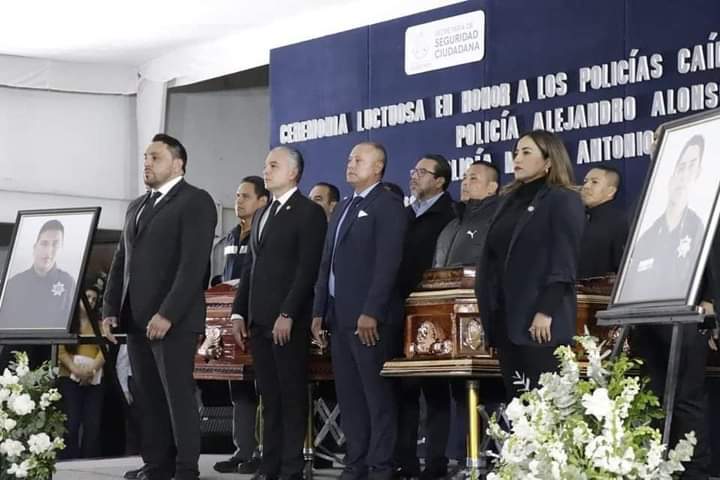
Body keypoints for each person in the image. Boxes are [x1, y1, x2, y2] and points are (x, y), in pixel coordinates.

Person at [102, 133, 217, 480]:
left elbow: (193, 265)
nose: (147, 164)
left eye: (155, 158)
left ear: (178, 163)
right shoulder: (136, 205)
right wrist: (109, 308)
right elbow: (122, 260)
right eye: (146, 158)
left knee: (177, 397)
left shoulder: (196, 201)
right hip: (136, 321)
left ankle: (185, 468)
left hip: (174, 322)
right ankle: (157, 464)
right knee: (149, 398)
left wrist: (168, 313)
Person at [312, 142, 407, 480]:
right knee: (349, 398)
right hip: (338, 317)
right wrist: (318, 310)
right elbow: (327, 262)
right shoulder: (343, 208)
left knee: (376, 397)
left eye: (359, 160)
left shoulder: (388, 205)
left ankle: (380, 467)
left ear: (378, 167)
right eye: (349, 159)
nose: (350, 164)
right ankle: (356, 463)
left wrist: (373, 311)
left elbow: (388, 263)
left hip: (370, 320)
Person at [232, 146, 327, 480]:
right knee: (268, 399)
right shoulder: (261, 214)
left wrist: (287, 312)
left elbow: (307, 269)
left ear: (293, 173)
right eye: (265, 164)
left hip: (287, 321)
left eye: (273, 165)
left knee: (290, 397)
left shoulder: (308, 212)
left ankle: (290, 468)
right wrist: (238, 313)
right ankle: (269, 466)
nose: (266, 170)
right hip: (258, 320)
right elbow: (249, 269)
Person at [475, 130, 584, 400]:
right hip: (505, 321)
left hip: (539, 322)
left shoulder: (562, 199)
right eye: (515, 153)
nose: (517, 159)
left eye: (526, 153)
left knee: (546, 409)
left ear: (549, 161)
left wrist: (546, 310)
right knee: (519, 409)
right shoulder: (508, 200)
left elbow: (564, 260)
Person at [629, 134, 711, 479]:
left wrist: (713, 304)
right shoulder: (649, 216)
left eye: (690, 164)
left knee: (686, 398)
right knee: (655, 395)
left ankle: (694, 469)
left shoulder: (706, 209)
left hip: (691, 314)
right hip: (648, 317)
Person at [394, 154, 455, 480]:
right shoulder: (404, 214)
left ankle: (435, 463)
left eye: (421, 172)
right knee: (403, 389)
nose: (414, 176)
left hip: (434, 309)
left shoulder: (451, 215)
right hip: (400, 307)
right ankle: (404, 461)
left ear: (440, 181)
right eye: (413, 170)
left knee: (434, 391)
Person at [214, 176, 269, 475]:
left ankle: (263, 452)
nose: (238, 201)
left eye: (245, 196)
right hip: (229, 320)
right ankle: (242, 451)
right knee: (239, 388)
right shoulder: (230, 238)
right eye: (236, 195)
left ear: (263, 200)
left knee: (263, 388)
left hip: (258, 319)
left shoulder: (266, 235)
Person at [622, 135, 705, 302]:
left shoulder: (700, 222)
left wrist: (710, 299)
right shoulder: (643, 220)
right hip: (645, 306)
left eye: (691, 166)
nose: (682, 175)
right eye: (655, 138)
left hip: (689, 307)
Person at [0, 219, 76, 332]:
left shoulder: (68, 283)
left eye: (55, 244)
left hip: (54, 346)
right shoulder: (14, 283)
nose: (49, 250)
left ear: (61, 248)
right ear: (35, 247)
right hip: (18, 346)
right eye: (44, 243)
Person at [57, 286, 104, 459]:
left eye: (94, 299)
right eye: (88, 297)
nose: (90, 302)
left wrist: (90, 371)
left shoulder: (99, 324)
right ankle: (69, 460)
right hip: (68, 377)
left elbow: (104, 351)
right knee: (72, 422)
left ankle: (89, 461)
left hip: (94, 378)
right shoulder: (67, 323)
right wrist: (76, 370)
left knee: (92, 424)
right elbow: (61, 351)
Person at [434, 161, 500, 267]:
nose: (465, 183)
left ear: (492, 187)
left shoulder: (498, 222)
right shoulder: (450, 226)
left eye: (473, 178)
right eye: (464, 178)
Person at [578, 166, 629, 278]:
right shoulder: (576, 218)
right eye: (585, 181)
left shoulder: (619, 222)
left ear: (611, 191)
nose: (586, 186)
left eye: (594, 182)